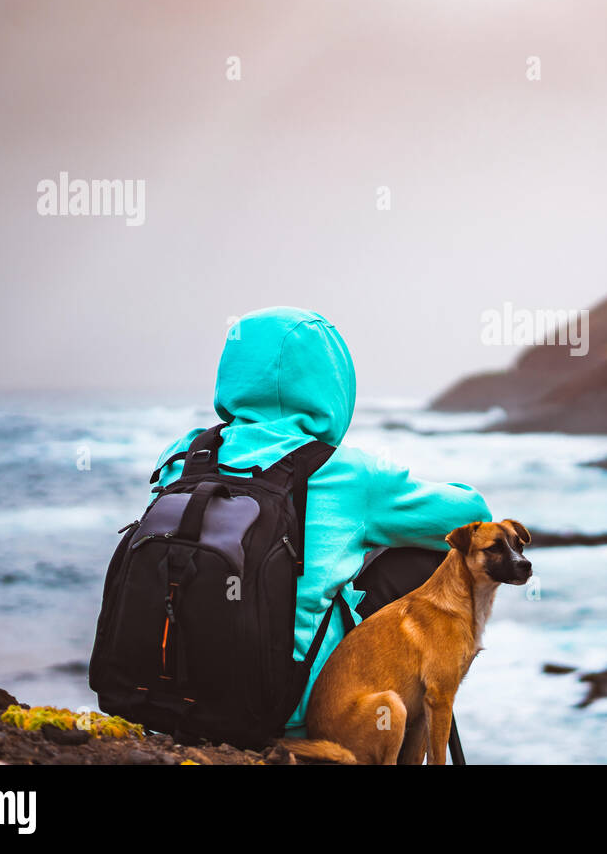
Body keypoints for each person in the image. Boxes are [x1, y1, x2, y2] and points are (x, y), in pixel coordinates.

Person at [148, 306, 490, 737]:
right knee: (432, 560)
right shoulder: (346, 471)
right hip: (293, 707)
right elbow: (476, 519)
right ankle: (395, 735)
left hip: (170, 692)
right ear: (333, 382)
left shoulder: (183, 454)